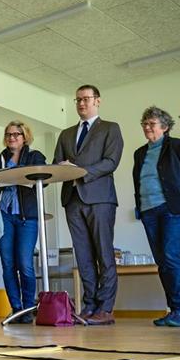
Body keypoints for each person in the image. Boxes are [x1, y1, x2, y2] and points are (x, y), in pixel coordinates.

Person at [53, 84, 123, 325]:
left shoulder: (110, 129)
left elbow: (111, 162)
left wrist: (81, 171)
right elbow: (56, 165)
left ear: (98, 101)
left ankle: (106, 308)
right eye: (77, 100)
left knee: (104, 254)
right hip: (72, 200)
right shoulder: (65, 134)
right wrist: (63, 168)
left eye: (86, 99)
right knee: (83, 257)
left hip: (100, 198)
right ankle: (90, 305)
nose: (81, 103)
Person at [133, 106, 180, 327]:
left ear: (165, 126)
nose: (147, 127)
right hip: (149, 210)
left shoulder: (178, 145)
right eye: (144, 124)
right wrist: (140, 208)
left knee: (171, 256)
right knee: (161, 261)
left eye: (151, 123)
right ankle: (172, 309)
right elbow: (138, 182)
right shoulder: (140, 153)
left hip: (172, 208)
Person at [0, 121, 46, 324]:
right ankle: (16, 308)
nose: (12, 137)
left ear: (25, 136)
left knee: (25, 263)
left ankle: (28, 308)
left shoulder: (35, 156)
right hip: (4, 216)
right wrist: (9, 180)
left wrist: (11, 178)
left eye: (16, 134)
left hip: (27, 217)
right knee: (8, 264)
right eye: (9, 134)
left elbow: (42, 180)